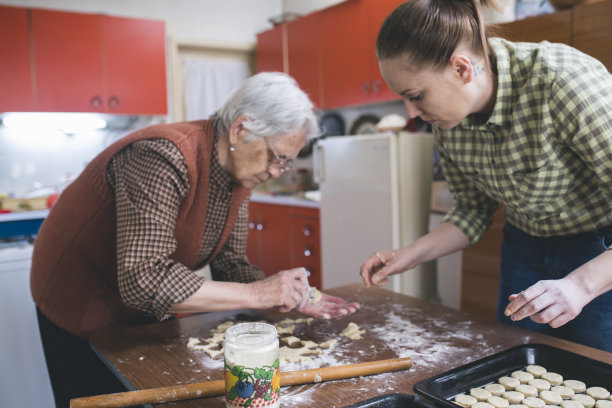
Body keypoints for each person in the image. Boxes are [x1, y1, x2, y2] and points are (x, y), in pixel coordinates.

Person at [31, 72, 359, 407]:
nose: (276, 171)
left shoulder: (239, 175)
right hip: (79, 297)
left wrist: (289, 296)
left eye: (286, 163)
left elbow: (230, 263)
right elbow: (143, 279)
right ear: (240, 129)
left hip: (142, 305)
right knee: (98, 396)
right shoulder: (161, 157)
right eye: (276, 157)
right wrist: (257, 293)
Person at [360, 0, 612, 352]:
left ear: (461, 69)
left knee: (597, 368)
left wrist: (581, 286)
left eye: (416, 96)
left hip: (600, 249)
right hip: (525, 242)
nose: (412, 113)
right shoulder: (447, 124)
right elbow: (471, 211)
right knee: (516, 360)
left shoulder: (562, 82)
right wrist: (411, 254)